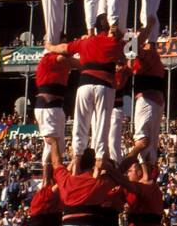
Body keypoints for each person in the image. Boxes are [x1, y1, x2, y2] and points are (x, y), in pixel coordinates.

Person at [53, 13, 125, 161]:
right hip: (104, 86)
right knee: (101, 125)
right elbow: (133, 51)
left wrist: (49, 46)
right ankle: (99, 161)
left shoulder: (85, 41)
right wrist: (124, 33)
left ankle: (76, 160)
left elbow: (64, 48)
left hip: (84, 84)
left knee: (80, 123)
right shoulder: (115, 42)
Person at [32, 46, 75, 171]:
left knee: (58, 147)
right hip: (47, 106)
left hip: (55, 107)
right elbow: (65, 57)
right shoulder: (48, 58)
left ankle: (52, 178)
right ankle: (55, 175)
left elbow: (75, 63)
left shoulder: (62, 62)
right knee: (52, 141)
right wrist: (79, 47)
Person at [129, 38, 166, 167]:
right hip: (155, 101)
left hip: (147, 100)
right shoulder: (152, 58)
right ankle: (148, 173)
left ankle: (128, 167)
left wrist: (131, 36)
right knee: (150, 143)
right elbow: (130, 60)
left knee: (142, 139)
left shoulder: (150, 54)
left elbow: (132, 48)